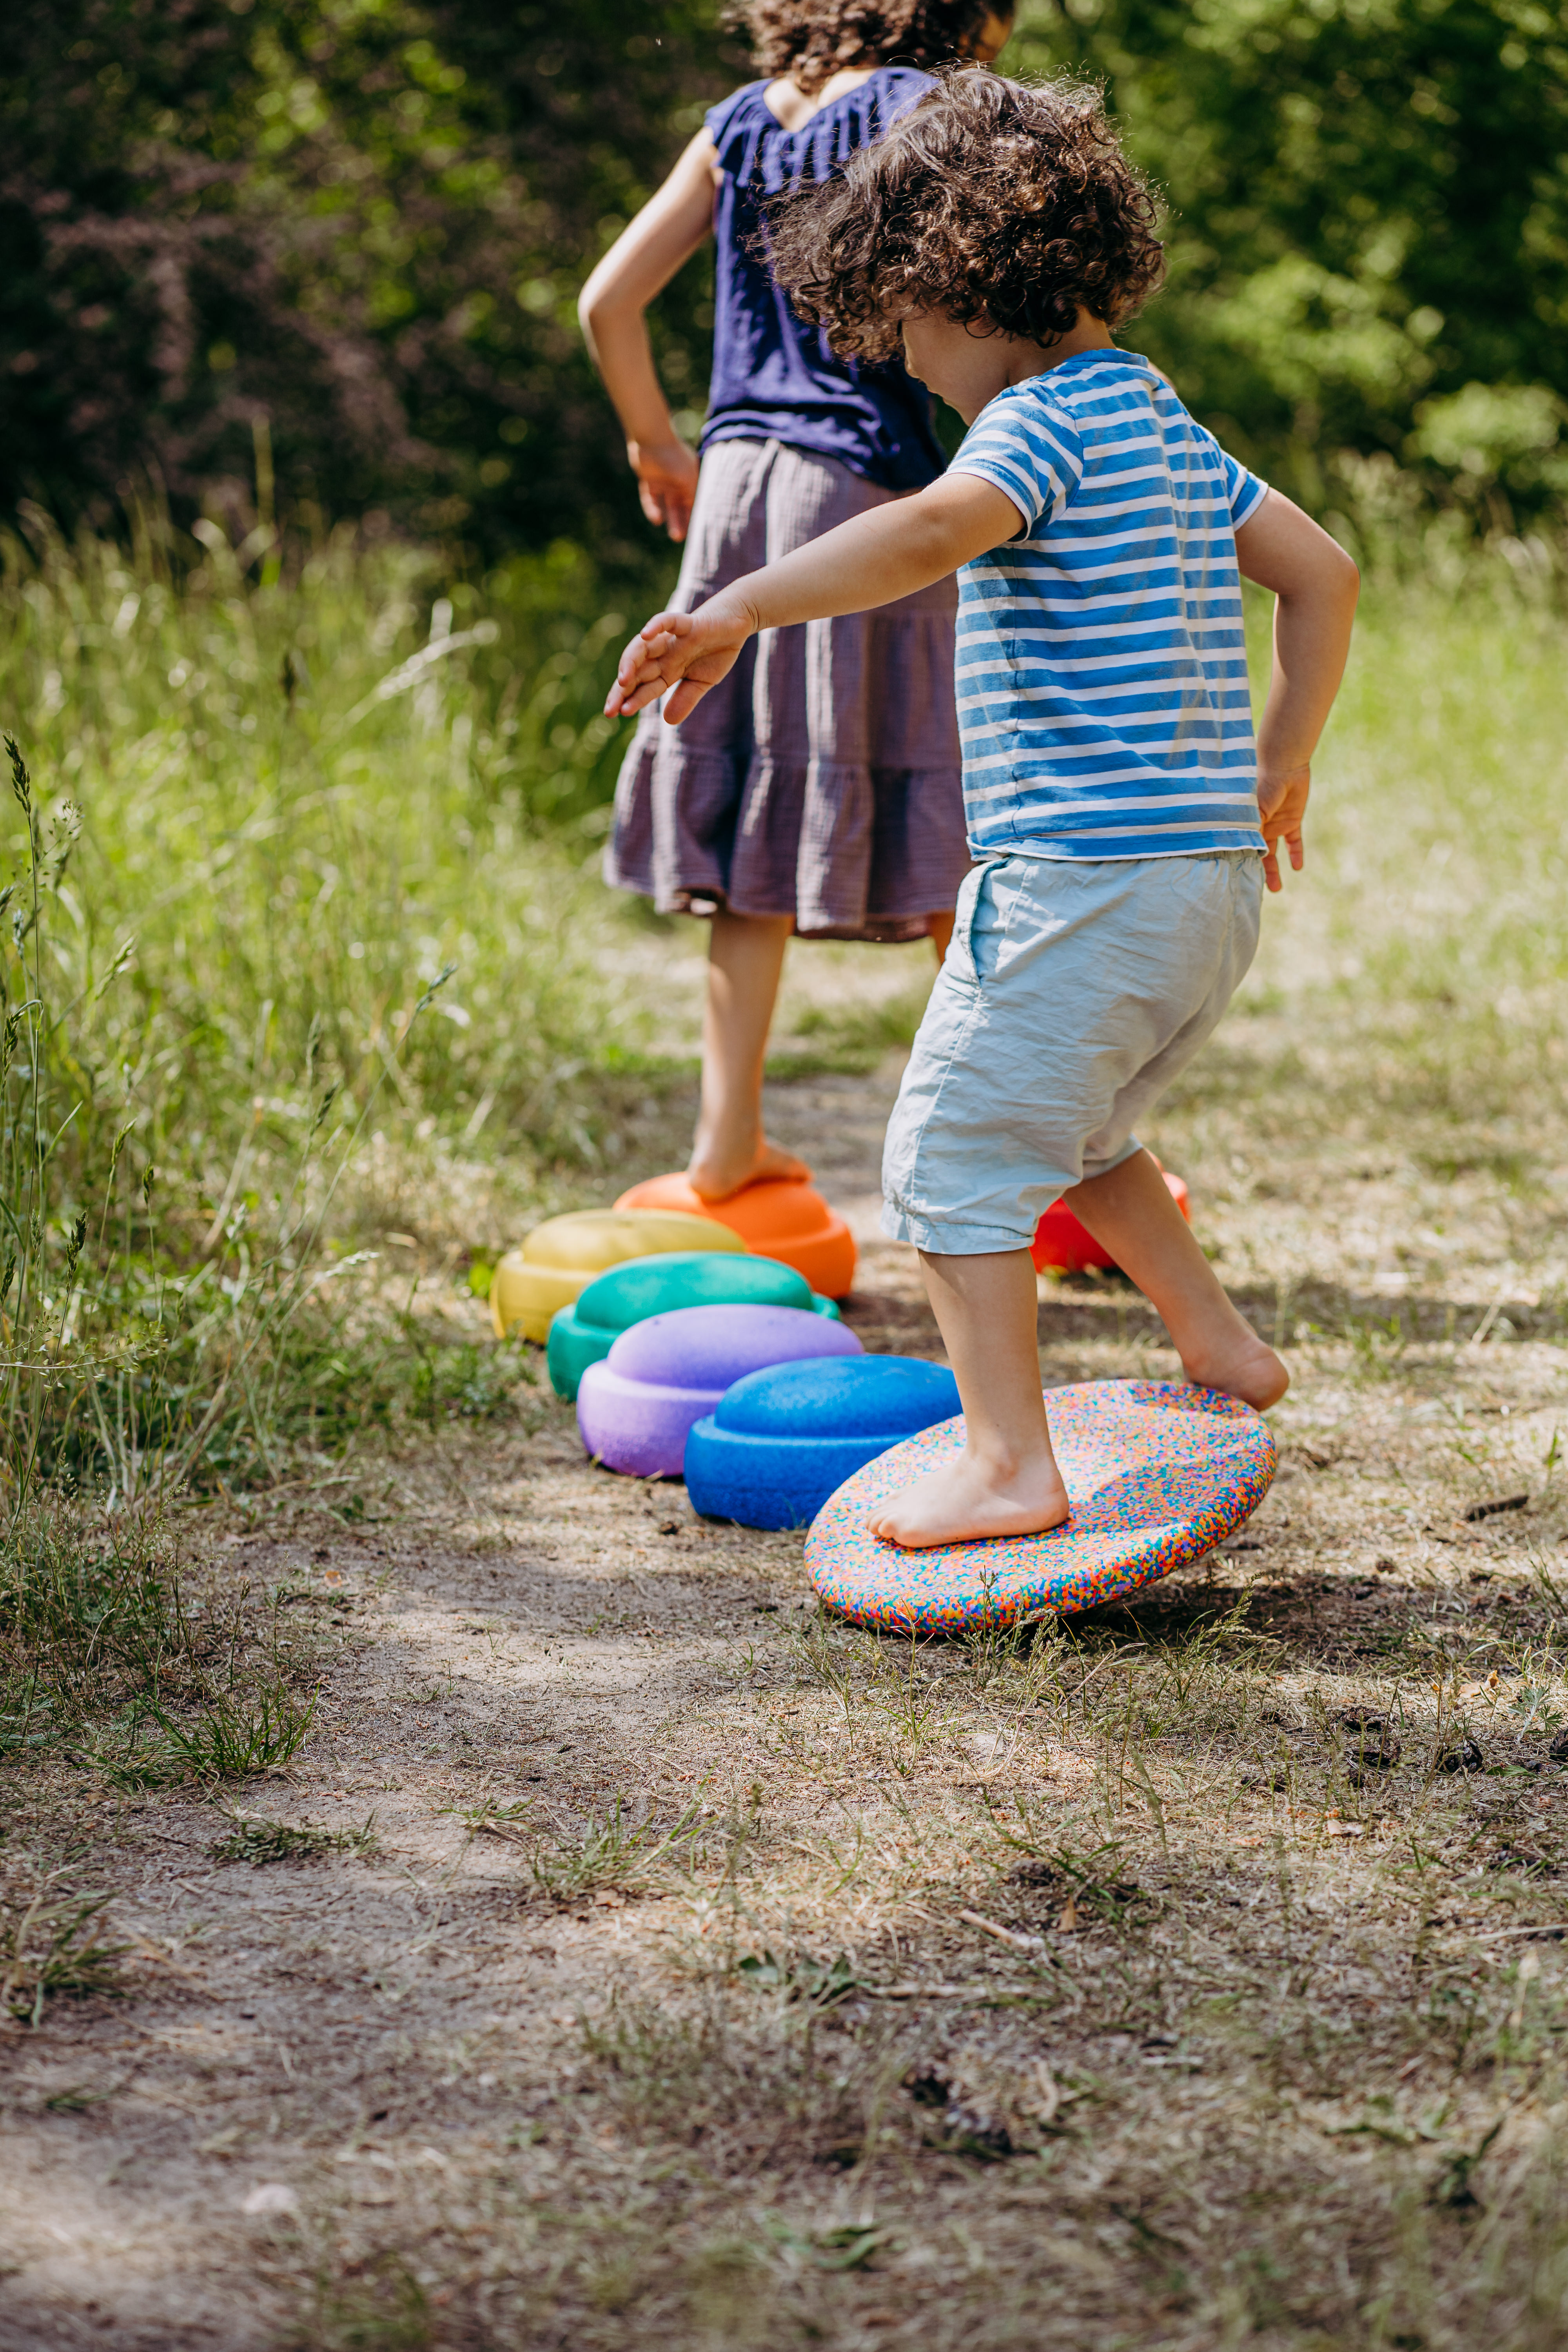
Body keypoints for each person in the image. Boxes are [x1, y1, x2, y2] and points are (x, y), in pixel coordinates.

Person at [603, 69, 1360, 1548]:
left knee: (947, 1159)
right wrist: (1286, 751)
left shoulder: (1032, 429)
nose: (909, 368)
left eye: (906, 332)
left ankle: (1011, 1463)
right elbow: (1325, 574)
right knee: (1080, 1136)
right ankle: (1220, 1349)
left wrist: (738, 605)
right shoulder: (1161, 413)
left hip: (1082, 882)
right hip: (1201, 889)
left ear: (961, 283)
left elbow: (936, 529)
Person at [578, 2, 1015, 1205]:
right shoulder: (926, 105)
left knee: (748, 810)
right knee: (947, 817)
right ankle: (1035, 1143)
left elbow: (605, 304)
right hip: (868, 493)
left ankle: (723, 1150)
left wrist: (657, 448)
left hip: (732, 488)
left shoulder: (734, 126)